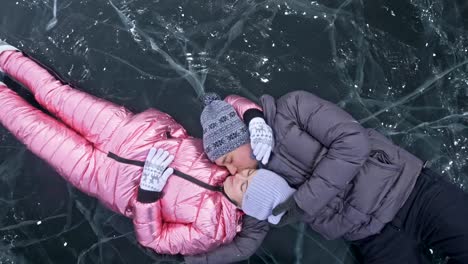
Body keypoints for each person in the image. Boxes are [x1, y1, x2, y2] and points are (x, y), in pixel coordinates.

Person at [0, 41, 295, 263]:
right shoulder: (233, 164)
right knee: (56, 94)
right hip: (127, 131)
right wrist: (255, 119)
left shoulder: (211, 231)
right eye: (249, 175)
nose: (239, 176)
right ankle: (6, 55)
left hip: (100, 175)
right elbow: (228, 106)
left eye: (244, 187)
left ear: (246, 208)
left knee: (30, 128)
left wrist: (149, 193)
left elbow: (155, 239)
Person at [196, 92, 468, 263]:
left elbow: (353, 143)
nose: (231, 171)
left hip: (412, 193)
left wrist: (303, 201)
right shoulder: (256, 184)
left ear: (242, 137)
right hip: (371, 238)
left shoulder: (291, 109)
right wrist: (191, 259)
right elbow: (249, 236)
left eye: (228, 160)